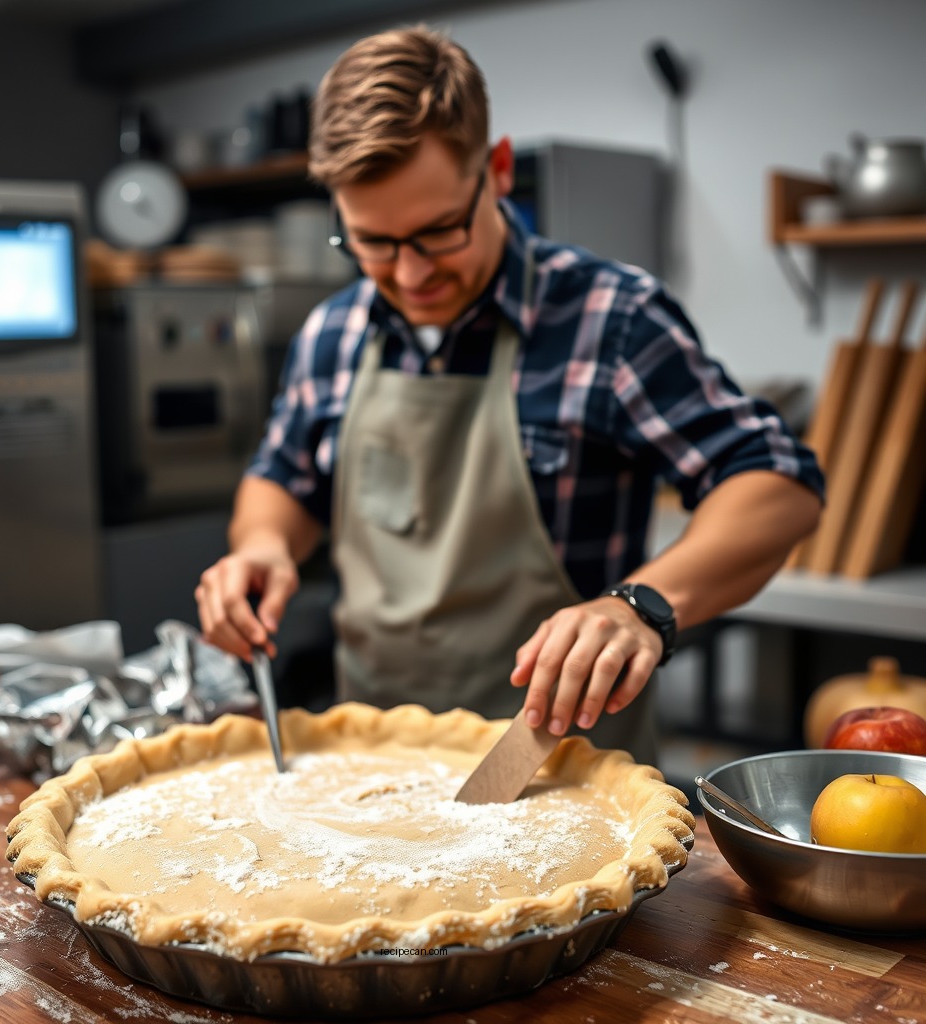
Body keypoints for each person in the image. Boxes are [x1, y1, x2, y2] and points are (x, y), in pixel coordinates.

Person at [195, 25, 824, 766]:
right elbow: (284, 479)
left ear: (495, 170)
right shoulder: (332, 334)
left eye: (438, 231)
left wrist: (641, 606)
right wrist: (263, 546)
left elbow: (778, 483)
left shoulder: (608, 319)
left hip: (550, 770)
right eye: (372, 242)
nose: (410, 274)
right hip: (372, 770)